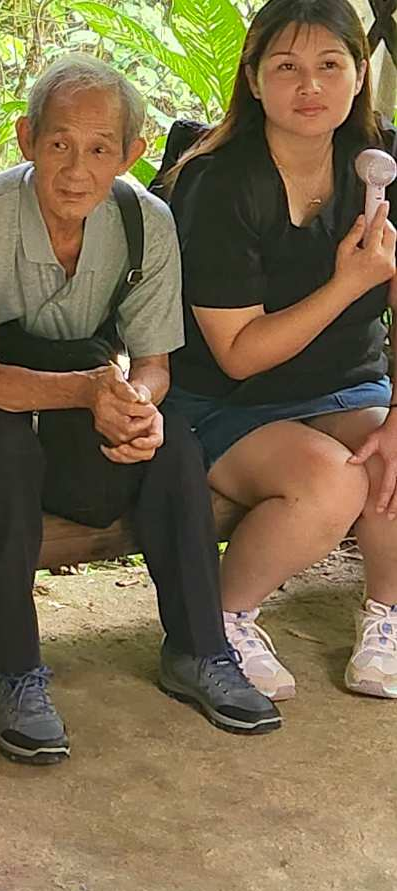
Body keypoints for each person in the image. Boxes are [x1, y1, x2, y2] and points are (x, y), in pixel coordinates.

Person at [0, 54, 280, 766]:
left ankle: (199, 651)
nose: (76, 168)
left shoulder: (144, 222)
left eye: (100, 149)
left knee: (173, 443)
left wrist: (140, 409)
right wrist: (93, 391)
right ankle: (8, 668)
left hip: (64, 394)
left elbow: (154, 366)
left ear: (130, 153)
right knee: (3, 439)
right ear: (26, 138)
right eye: (59, 143)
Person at [158, 0, 397, 702]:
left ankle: (386, 615)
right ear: (254, 79)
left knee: (387, 452)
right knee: (331, 481)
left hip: (345, 388)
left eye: (330, 66)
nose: (310, 87)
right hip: (223, 402)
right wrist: (346, 281)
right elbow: (237, 353)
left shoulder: (378, 167)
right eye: (287, 67)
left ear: (359, 75)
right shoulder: (218, 181)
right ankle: (219, 623)